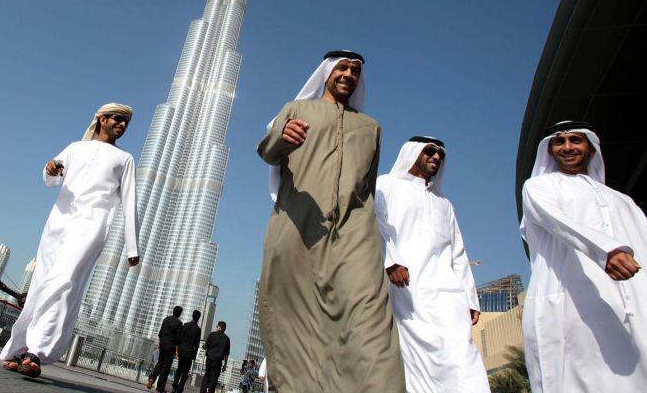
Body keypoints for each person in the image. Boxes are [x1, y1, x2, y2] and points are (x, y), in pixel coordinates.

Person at [256, 50, 405, 392]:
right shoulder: (297, 110)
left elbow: (367, 185)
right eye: (342, 68)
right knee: (293, 322)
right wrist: (282, 136)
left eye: (355, 71)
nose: (349, 74)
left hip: (355, 235)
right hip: (297, 228)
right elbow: (267, 152)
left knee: (371, 323)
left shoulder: (370, 128)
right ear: (326, 73)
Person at [0, 103, 140, 378]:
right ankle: (19, 349)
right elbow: (51, 178)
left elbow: (130, 202)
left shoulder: (125, 159)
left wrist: (132, 245)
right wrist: (50, 170)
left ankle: (36, 352)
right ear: (102, 119)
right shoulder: (75, 148)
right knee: (41, 284)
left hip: (92, 227)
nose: (122, 125)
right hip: (58, 224)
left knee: (64, 283)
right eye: (117, 119)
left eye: (125, 122)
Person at [521, 120, 647, 391]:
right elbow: (558, 221)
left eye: (575, 140)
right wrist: (607, 250)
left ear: (591, 148)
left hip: (635, 300)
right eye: (559, 142)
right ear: (550, 150)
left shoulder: (622, 200)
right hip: (574, 299)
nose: (567, 147)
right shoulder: (539, 187)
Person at [374, 137, 489, 392]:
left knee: (462, 355)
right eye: (429, 151)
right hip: (406, 289)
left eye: (440, 154)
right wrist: (391, 261)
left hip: (448, 292)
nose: (436, 157)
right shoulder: (386, 185)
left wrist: (470, 298)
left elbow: (457, 251)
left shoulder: (444, 203)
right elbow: (376, 225)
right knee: (417, 359)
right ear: (412, 153)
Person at [147, 305, 183, 391]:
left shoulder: (166, 319)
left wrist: (160, 344)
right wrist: (177, 351)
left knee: (160, 363)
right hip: (171, 347)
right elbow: (178, 339)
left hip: (163, 345)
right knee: (165, 368)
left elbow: (160, 333)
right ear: (180, 314)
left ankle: (152, 378)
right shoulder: (179, 324)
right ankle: (159, 388)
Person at [171, 309, 202, 393]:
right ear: (199, 318)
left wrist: (177, 349)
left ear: (192, 316)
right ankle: (180, 388)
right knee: (185, 371)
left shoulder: (185, 325)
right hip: (190, 352)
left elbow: (180, 337)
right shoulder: (198, 329)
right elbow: (197, 344)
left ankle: (174, 385)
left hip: (182, 350)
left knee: (179, 369)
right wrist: (194, 355)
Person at [199, 321, 230, 393]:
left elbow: (206, 346)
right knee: (214, 378)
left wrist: (204, 346)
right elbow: (226, 354)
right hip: (218, 362)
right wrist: (225, 365)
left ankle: (202, 391)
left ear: (219, 327)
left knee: (207, 375)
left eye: (217, 326)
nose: (216, 327)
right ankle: (210, 391)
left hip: (209, 359)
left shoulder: (212, 334)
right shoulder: (227, 339)